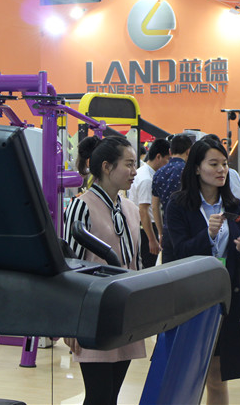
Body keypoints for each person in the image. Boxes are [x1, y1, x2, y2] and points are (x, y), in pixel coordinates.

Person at [165, 138, 240, 404]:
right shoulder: (178, 205)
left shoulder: (235, 206)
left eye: (224, 164)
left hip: (224, 298)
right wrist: (208, 235)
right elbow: (179, 252)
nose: (221, 170)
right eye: (213, 164)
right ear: (196, 168)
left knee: (217, 375)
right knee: (186, 375)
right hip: (190, 299)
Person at [62, 135, 145, 405]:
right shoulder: (81, 207)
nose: (134, 171)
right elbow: (70, 266)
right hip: (92, 314)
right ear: (107, 167)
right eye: (129, 164)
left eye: (135, 164)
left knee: (111, 396)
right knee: (98, 396)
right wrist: (70, 322)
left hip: (125, 313)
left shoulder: (130, 209)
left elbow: (136, 264)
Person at [151, 133, 193, 263]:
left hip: (168, 230)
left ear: (170, 151)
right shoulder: (189, 171)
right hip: (188, 230)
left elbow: (154, 206)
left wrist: (161, 232)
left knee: (168, 270)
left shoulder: (159, 173)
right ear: (189, 151)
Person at [129, 137, 170, 268]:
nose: (168, 164)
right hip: (146, 229)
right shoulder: (147, 179)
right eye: (167, 159)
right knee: (148, 268)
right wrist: (152, 239)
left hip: (144, 227)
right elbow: (143, 210)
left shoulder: (144, 172)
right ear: (158, 157)